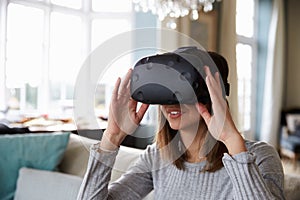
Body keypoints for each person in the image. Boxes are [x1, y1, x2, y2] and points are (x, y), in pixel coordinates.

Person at [77, 47, 285, 200]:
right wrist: (111, 137)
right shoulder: (158, 157)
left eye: (184, 88)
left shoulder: (259, 157)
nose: (171, 102)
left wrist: (232, 142)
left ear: (213, 96)